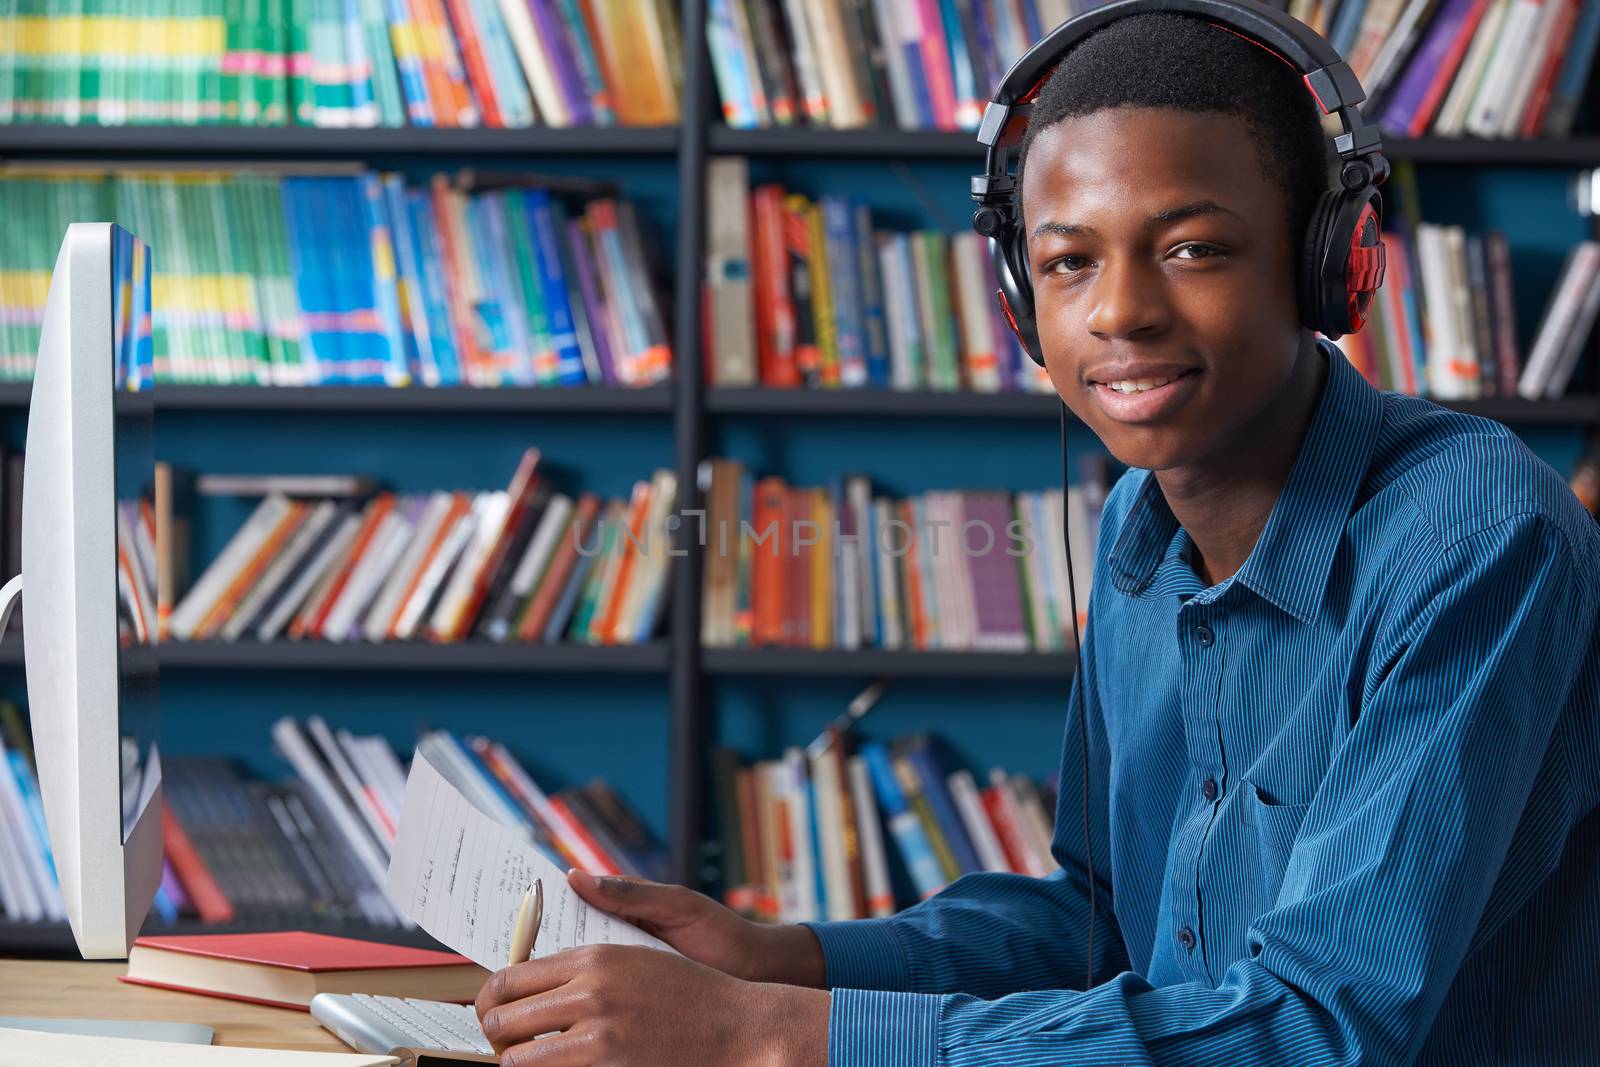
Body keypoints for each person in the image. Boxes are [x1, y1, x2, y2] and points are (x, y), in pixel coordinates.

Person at [473, 11, 1600, 1065]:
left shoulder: (1477, 540)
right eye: (1067, 261)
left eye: (1193, 249)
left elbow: (1315, 1027)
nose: (1119, 311)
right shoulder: (1138, 523)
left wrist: (774, 1032)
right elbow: (1099, 920)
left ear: (1328, 263)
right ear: (1019, 300)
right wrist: (786, 960)